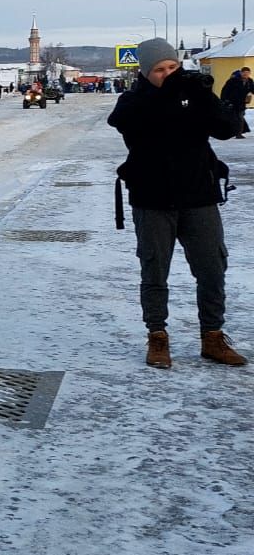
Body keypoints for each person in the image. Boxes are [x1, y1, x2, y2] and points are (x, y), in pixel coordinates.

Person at [109, 37, 244, 369]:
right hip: (153, 199)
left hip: (199, 196)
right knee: (155, 270)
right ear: (144, 72)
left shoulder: (193, 96)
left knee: (213, 269)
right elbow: (124, 122)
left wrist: (205, 97)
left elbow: (229, 128)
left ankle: (212, 336)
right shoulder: (133, 100)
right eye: (159, 69)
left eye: (173, 67)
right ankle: (157, 337)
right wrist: (169, 95)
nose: (168, 74)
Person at [219, 66, 252, 138]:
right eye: (244, 73)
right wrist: (224, 100)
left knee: (239, 118)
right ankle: (236, 133)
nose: (246, 75)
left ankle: (238, 133)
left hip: (241, 103)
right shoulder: (233, 81)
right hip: (231, 102)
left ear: (249, 73)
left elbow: (252, 89)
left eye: (247, 73)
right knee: (234, 118)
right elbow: (225, 90)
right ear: (241, 73)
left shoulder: (249, 81)